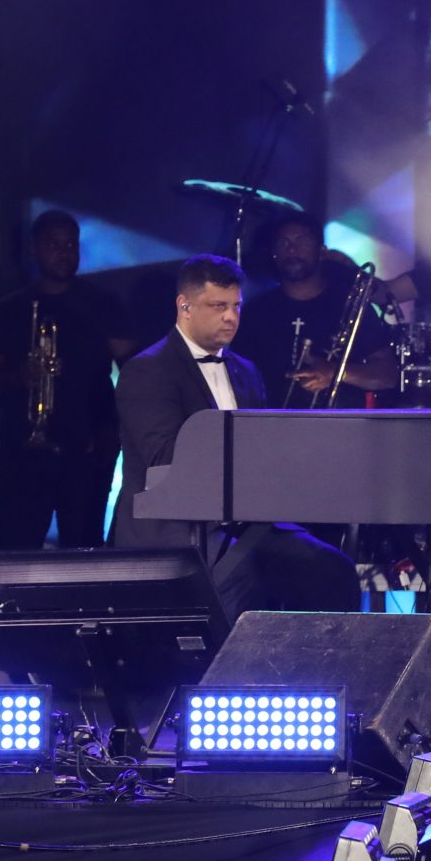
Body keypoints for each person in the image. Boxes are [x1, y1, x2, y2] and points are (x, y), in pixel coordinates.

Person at [110, 256, 359, 617]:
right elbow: (163, 459)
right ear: (184, 307)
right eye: (218, 306)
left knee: (331, 569)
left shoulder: (245, 370)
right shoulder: (148, 370)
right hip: (174, 524)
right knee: (237, 575)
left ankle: (318, 655)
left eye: (236, 306)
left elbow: (264, 449)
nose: (230, 317)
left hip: (246, 522)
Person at [0, 210, 137, 546]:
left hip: (88, 449)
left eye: (71, 245)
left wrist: (114, 428)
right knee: (17, 550)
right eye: (54, 245)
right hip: (23, 454)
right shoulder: (9, 311)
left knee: (85, 546)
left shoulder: (102, 304)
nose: (64, 253)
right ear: (34, 249)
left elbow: (136, 370)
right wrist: (20, 376)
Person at [240, 215, 399, 409]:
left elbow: (388, 375)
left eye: (303, 242)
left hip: (338, 424)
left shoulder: (349, 306)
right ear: (274, 253)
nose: (292, 250)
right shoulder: (256, 311)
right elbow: (238, 375)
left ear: (322, 252)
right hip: (268, 423)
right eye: (284, 243)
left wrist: (336, 372)